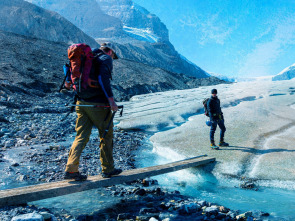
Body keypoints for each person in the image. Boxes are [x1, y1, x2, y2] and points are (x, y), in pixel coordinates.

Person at [64, 42, 122, 181]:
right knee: (106, 135)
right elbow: (103, 79)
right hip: (98, 104)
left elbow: (67, 69)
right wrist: (111, 101)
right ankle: (108, 169)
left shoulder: (85, 57)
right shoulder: (105, 59)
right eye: (113, 56)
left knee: (81, 136)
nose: (112, 58)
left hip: (81, 102)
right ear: (110, 52)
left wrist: (68, 82)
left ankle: (71, 170)